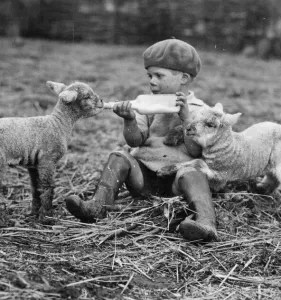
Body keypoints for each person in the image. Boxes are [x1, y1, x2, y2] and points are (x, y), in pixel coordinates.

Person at [65, 39, 218, 242]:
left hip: (177, 180)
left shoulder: (199, 109)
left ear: (183, 78)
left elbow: (195, 152)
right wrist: (129, 120)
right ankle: (98, 205)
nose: (152, 81)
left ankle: (206, 223)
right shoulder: (145, 105)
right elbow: (135, 141)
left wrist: (186, 118)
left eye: (159, 75)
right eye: (150, 75)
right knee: (120, 156)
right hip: (144, 178)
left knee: (195, 172)